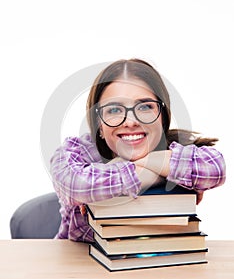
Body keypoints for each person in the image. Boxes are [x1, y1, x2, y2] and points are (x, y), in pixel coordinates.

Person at [50, 58, 226, 242]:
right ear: (99, 125)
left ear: (162, 117)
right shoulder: (78, 151)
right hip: (77, 263)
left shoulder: (176, 147)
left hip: (159, 262)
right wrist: (157, 171)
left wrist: (134, 165)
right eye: (114, 110)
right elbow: (73, 185)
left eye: (144, 107)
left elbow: (216, 168)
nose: (130, 122)